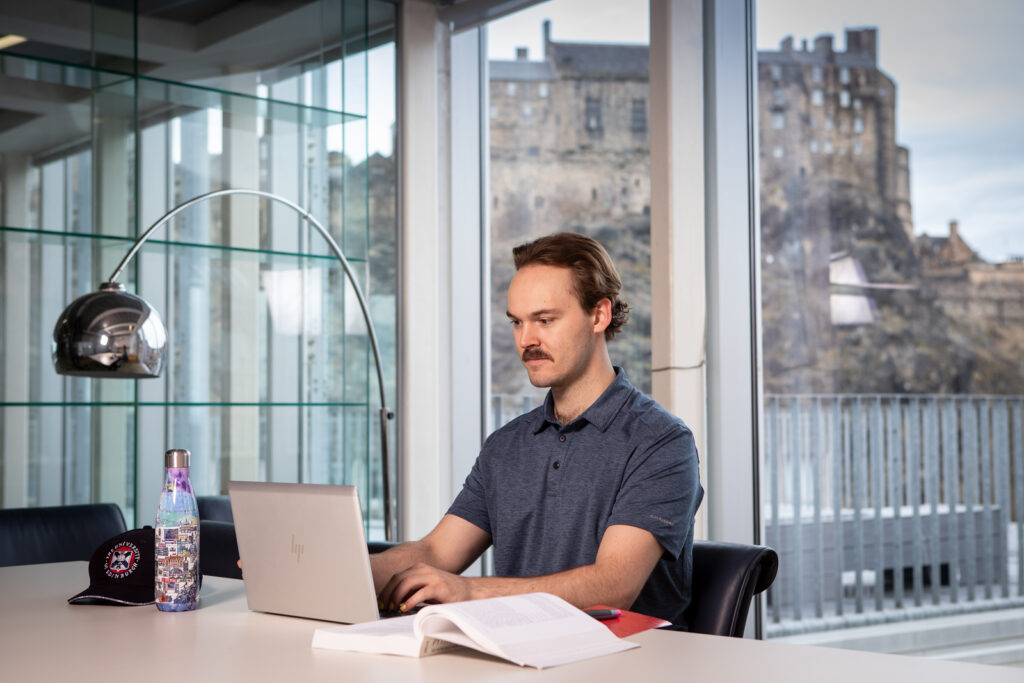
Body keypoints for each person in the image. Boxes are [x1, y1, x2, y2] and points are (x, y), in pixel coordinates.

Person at [372, 232, 703, 628]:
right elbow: (436, 552)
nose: (526, 340)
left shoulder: (661, 442)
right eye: (517, 323)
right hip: (516, 654)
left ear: (599, 315)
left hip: (626, 661)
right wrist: (334, 570)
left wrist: (469, 592)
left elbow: (613, 585)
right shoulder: (507, 446)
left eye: (545, 320)